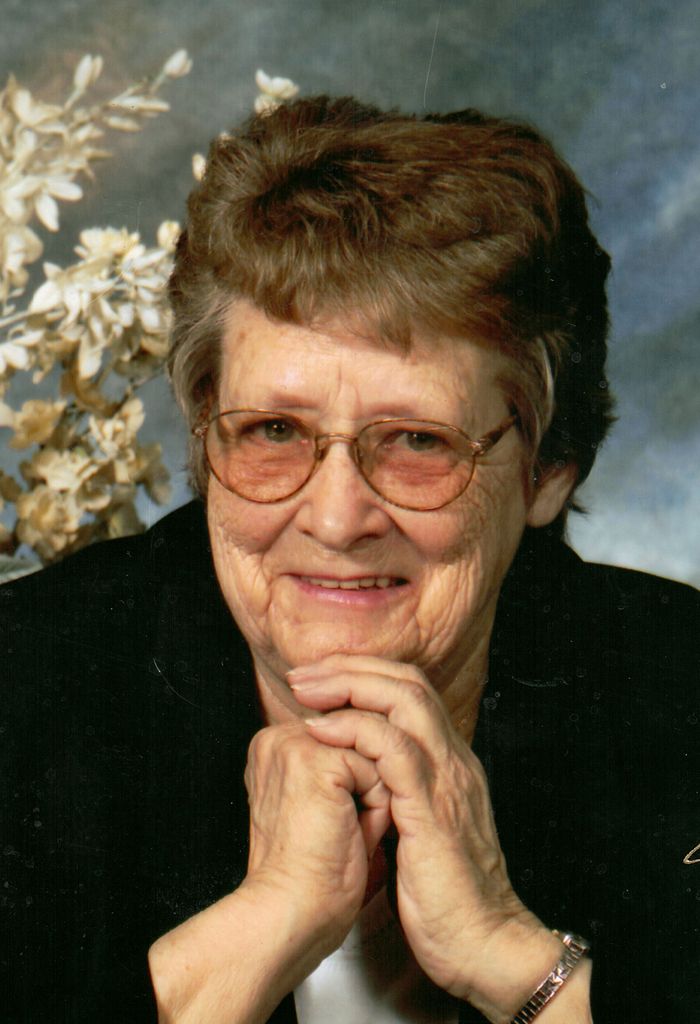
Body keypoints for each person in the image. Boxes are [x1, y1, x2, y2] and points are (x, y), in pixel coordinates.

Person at [1, 97, 697, 1024]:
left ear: (549, 470)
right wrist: (251, 936)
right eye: (273, 431)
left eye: (417, 442)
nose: (335, 519)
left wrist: (513, 958)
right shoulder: (21, 689)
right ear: (205, 436)